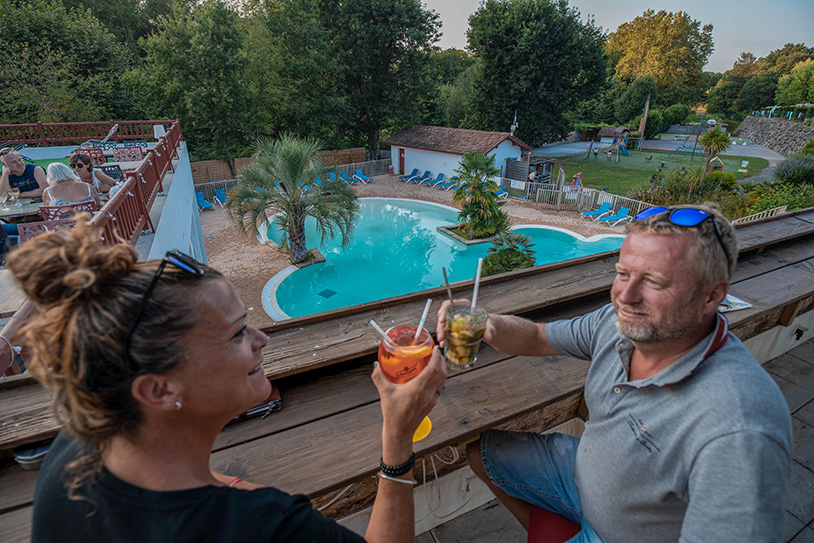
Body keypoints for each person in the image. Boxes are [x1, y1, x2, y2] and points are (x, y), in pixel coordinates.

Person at [9, 221, 447, 543]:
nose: (260, 340)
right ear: (159, 390)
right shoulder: (264, 526)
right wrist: (397, 442)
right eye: (237, 333)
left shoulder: (78, 443)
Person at [437, 203, 792, 543]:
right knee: (482, 454)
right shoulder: (616, 325)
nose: (625, 295)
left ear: (712, 296)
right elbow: (537, 336)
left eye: (654, 281)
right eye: (622, 273)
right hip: (580, 476)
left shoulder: (740, 431)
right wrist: (490, 323)